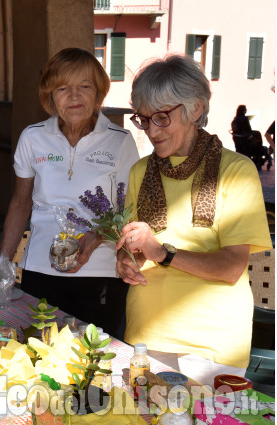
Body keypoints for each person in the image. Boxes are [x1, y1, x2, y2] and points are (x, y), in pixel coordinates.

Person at [116, 54, 272, 387]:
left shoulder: (235, 172)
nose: (152, 130)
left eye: (161, 117)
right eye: (143, 119)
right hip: (146, 332)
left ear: (195, 109)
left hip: (211, 344)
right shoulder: (140, 172)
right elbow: (134, 249)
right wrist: (126, 260)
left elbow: (232, 266)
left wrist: (162, 253)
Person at [0, 48, 140, 339]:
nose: (74, 97)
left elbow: (130, 210)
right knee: (39, 351)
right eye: (63, 88)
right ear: (50, 96)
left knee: (93, 362)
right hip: (41, 268)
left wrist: (96, 238)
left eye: (84, 86)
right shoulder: (33, 137)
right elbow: (20, 202)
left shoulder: (120, 142)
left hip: (100, 273)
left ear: (98, 93)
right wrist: (2, 263)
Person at [231, 104, 266, 170]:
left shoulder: (235, 119)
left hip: (237, 138)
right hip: (245, 138)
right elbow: (248, 130)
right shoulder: (244, 118)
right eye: (245, 109)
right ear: (244, 111)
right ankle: (259, 152)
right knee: (258, 133)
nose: (246, 110)